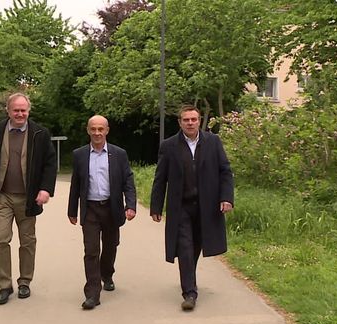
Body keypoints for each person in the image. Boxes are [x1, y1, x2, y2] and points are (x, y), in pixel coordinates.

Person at [0, 93, 57, 305]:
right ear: (8, 111)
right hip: (2, 197)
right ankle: (4, 285)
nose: (20, 114)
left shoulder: (40, 133)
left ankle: (24, 282)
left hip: (28, 198)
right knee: (1, 238)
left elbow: (49, 163)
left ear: (28, 111)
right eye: (16, 110)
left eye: (23, 110)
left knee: (27, 241)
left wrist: (45, 189)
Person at [150, 105, 234, 311]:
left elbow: (225, 171)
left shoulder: (212, 142)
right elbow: (160, 178)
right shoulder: (169, 146)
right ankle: (189, 292)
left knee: (196, 245)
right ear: (180, 122)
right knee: (185, 247)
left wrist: (226, 197)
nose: (190, 123)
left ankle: (189, 277)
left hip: (206, 206)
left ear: (199, 121)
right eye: (186, 120)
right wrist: (156, 206)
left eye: (193, 119)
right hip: (181, 207)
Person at [68, 115, 137, 310]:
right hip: (90, 209)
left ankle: (107, 274)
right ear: (88, 130)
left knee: (110, 246)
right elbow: (76, 184)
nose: (97, 133)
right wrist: (72, 210)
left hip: (111, 208)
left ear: (107, 131)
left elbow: (128, 182)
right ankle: (92, 293)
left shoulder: (119, 154)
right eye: (93, 129)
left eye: (101, 129)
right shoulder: (80, 155)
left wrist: (130, 205)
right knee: (91, 251)